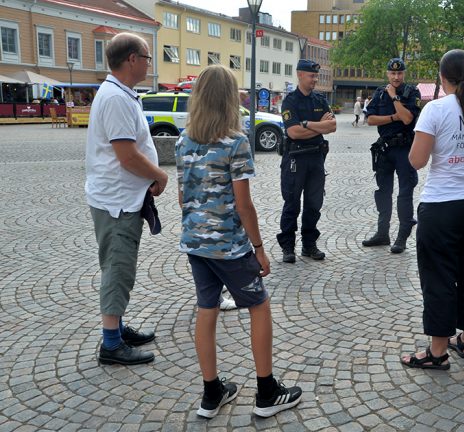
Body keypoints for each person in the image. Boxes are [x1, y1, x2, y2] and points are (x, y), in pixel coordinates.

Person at [176, 64, 302, 418]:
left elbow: (182, 198)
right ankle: (266, 392)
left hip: (195, 243)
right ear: (231, 98)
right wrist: (260, 249)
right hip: (229, 246)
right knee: (259, 306)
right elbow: (243, 204)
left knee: (207, 309)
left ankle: (211, 392)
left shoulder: (185, 140)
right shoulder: (236, 141)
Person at [400, 49, 464, 369]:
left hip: (443, 206)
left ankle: (437, 352)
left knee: (440, 277)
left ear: (442, 76)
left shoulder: (435, 110)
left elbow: (417, 161)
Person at [85, 33, 168, 366]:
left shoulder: (119, 93)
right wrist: (159, 175)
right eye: (147, 57)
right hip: (116, 200)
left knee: (118, 265)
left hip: (118, 197)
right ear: (132, 59)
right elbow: (127, 155)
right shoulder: (117, 98)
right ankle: (111, 344)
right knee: (118, 269)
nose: (149, 63)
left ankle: (116, 327)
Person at [278, 59, 337, 263]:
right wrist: (318, 126)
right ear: (300, 75)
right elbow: (293, 132)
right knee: (292, 205)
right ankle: (288, 247)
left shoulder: (319, 100)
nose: (315, 79)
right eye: (312, 76)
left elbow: (332, 127)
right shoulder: (290, 101)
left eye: (316, 76)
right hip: (295, 159)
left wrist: (308, 125)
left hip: (316, 158)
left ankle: (309, 245)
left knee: (314, 204)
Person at [363, 58, 421, 253]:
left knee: (405, 193)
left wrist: (395, 98)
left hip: (405, 149)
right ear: (387, 73)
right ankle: (382, 233)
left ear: (404, 73)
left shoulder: (411, 92)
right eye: (392, 73)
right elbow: (370, 119)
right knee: (383, 192)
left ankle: (402, 237)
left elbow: (407, 119)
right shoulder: (379, 93)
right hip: (385, 149)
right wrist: (392, 117)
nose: (396, 77)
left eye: (399, 73)